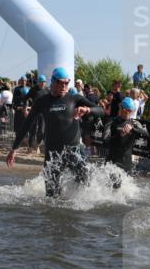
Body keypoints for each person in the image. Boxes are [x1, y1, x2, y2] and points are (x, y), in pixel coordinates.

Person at [8, 67, 104, 197]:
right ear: (53, 82)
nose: (64, 85)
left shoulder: (74, 98)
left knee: (85, 187)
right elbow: (27, 124)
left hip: (74, 151)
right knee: (51, 197)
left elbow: (101, 111)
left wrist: (87, 110)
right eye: (61, 82)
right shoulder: (42, 101)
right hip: (53, 154)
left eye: (67, 82)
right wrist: (14, 149)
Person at [105, 97, 148, 184]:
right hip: (112, 162)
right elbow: (105, 141)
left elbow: (147, 134)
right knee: (114, 188)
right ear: (122, 109)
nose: (129, 113)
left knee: (127, 193)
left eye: (131, 111)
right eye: (128, 110)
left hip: (127, 163)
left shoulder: (134, 123)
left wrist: (134, 129)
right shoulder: (111, 121)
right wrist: (120, 135)